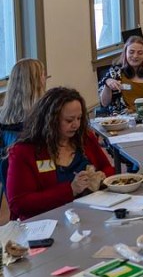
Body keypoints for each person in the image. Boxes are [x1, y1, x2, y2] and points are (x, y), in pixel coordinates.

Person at [7, 87, 115, 221]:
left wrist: (102, 177)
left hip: (91, 214)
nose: (76, 125)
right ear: (50, 120)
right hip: (49, 222)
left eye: (79, 118)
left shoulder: (85, 138)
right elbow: (19, 204)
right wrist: (71, 190)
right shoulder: (25, 151)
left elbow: (109, 169)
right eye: (69, 121)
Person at [97, 36, 143, 115]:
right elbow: (104, 103)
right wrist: (107, 85)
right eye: (131, 52)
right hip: (121, 119)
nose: (135, 56)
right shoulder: (114, 72)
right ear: (125, 53)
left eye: (140, 53)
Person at [0, 59, 47, 158]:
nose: (45, 78)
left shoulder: (3, 117)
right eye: (43, 74)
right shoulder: (45, 116)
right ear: (36, 82)